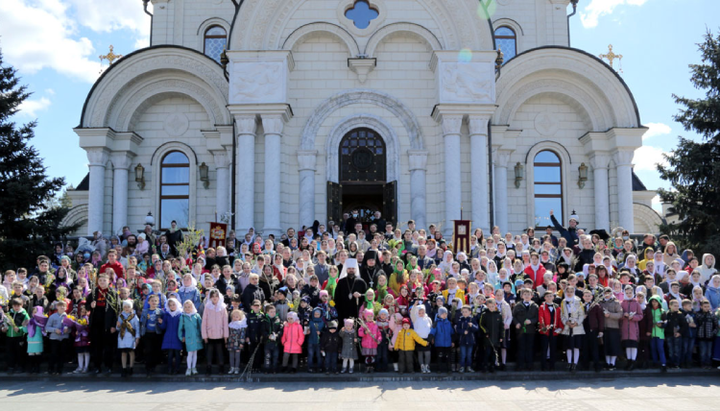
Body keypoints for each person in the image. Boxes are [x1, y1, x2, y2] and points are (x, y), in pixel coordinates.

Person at [202, 289, 229, 375]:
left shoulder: (222, 307)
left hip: (220, 334)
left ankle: (221, 367)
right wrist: (204, 335)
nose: (214, 298)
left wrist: (225, 336)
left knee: (220, 352)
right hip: (210, 334)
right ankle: (208, 367)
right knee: (209, 352)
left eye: (216, 296)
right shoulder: (207, 307)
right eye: (212, 296)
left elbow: (225, 323)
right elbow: (204, 322)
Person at [334, 259, 368, 324]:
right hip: (343, 311)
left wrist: (360, 295)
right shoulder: (341, 282)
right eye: (349, 268)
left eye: (353, 268)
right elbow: (337, 297)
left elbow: (367, 296)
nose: (351, 270)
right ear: (346, 269)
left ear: (356, 269)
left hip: (357, 311)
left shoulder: (361, 282)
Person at [513, 288, 539, 371]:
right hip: (520, 331)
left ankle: (529, 365)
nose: (527, 296)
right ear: (522, 296)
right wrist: (516, 323)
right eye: (525, 294)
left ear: (532, 296)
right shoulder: (518, 305)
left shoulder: (535, 306)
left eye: (528, 294)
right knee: (521, 347)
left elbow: (537, 318)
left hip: (530, 330)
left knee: (530, 348)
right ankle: (520, 365)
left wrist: (531, 321)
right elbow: (513, 316)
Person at [561, 286, 585, 372]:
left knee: (576, 346)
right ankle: (569, 362)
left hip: (576, 327)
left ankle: (575, 363)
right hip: (568, 326)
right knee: (568, 346)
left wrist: (577, 323)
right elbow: (562, 314)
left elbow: (582, 314)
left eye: (571, 291)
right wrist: (566, 322)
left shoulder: (578, 301)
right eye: (568, 291)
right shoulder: (563, 301)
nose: (570, 293)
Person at [620, 285, 644, 371]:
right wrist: (624, 315)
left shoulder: (636, 303)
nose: (629, 294)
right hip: (625, 328)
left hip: (634, 328)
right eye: (627, 293)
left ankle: (633, 361)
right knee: (627, 345)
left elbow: (640, 315)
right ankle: (629, 361)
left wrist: (633, 317)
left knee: (633, 345)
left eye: (630, 293)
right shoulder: (622, 303)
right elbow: (619, 315)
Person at [140, 294, 164, 376]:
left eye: (155, 301)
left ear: (158, 302)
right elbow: (142, 322)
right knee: (148, 350)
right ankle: (148, 367)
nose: (154, 302)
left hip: (156, 333)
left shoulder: (160, 312)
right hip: (147, 334)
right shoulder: (145, 311)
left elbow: (163, 322)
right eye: (152, 301)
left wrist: (161, 322)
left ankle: (154, 366)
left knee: (156, 350)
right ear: (149, 302)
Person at [600, 288, 623, 370]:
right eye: (605, 292)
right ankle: (607, 363)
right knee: (606, 346)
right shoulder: (601, 302)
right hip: (604, 327)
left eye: (608, 293)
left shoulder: (616, 302)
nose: (607, 294)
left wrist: (610, 315)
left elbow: (620, 314)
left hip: (613, 327)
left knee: (613, 346)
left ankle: (612, 363)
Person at [538, 291, 562, 372]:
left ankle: (552, 366)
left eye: (550, 296)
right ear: (545, 298)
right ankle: (543, 366)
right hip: (545, 331)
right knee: (544, 348)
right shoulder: (542, 307)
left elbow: (559, 318)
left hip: (554, 330)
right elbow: (541, 318)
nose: (549, 298)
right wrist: (544, 327)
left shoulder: (557, 307)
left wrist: (560, 328)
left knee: (553, 349)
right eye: (547, 296)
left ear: (553, 297)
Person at [116, 299, 140, 378]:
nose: (127, 308)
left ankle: (131, 367)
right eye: (125, 307)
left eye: (128, 307)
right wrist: (118, 326)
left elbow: (137, 327)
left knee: (131, 351)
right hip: (122, 337)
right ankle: (124, 368)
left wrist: (137, 337)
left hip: (131, 336)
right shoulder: (121, 316)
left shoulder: (134, 316)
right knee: (123, 352)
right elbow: (118, 328)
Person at [178, 299, 203, 376]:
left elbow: (200, 326)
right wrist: (181, 336)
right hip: (189, 337)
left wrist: (202, 335)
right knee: (190, 353)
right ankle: (188, 368)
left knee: (195, 353)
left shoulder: (196, 316)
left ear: (192, 307)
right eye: (186, 307)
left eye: (189, 307)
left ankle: (194, 368)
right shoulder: (183, 317)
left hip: (196, 337)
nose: (187, 309)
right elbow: (180, 328)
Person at [46, 300, 71, 375]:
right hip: (54, 338)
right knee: (54, 354)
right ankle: (51, 368)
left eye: (63, 306)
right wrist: (55, 330)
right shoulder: (52, 316)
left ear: (66, 307)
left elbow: (71, 328)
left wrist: (68, 330)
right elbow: (47, 327)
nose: (62, 307)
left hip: (64, 338)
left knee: (62, 354)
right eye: (60, 306)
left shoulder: (68, 316)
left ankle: (59, 369)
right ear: (57, 307)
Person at [479, 298, 503, 373]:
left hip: (496, 337)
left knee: (494, 353)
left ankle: (492, 366)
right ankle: (485, 366)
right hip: (487, 337)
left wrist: (502, 336)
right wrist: (486, 331)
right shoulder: (484, 314)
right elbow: (481, 324)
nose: (491, 308)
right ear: (487, 306)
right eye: (490, 306)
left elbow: (501, 327)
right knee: (487, 353)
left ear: (495, 306)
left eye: (492, 306)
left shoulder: (498, 315)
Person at [161, 297, 183, 375]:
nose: (172, 306)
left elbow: (182, 327)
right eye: (170, 305)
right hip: (169, 337)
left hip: (177, 337)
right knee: (169, 354)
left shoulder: (180, 314)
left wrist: (183, 336)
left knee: (177, 354)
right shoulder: (166, 315)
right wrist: (161, 322)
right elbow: (163, 327)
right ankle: (169, 368)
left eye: (174, 304)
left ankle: (177, 369)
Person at [227, 309, 247, 375]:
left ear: (240, 317)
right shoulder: (230, 325)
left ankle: (236, 368)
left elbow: (242, 335)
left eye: (237, 317)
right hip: (231, 343)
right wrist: (227, 342)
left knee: (237, 356)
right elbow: (229, 334)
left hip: (238, 343)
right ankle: (232, 367)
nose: (235, 318)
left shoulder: (242, 326)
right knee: (231, 356)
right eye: (234, 316)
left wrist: (241, 343)